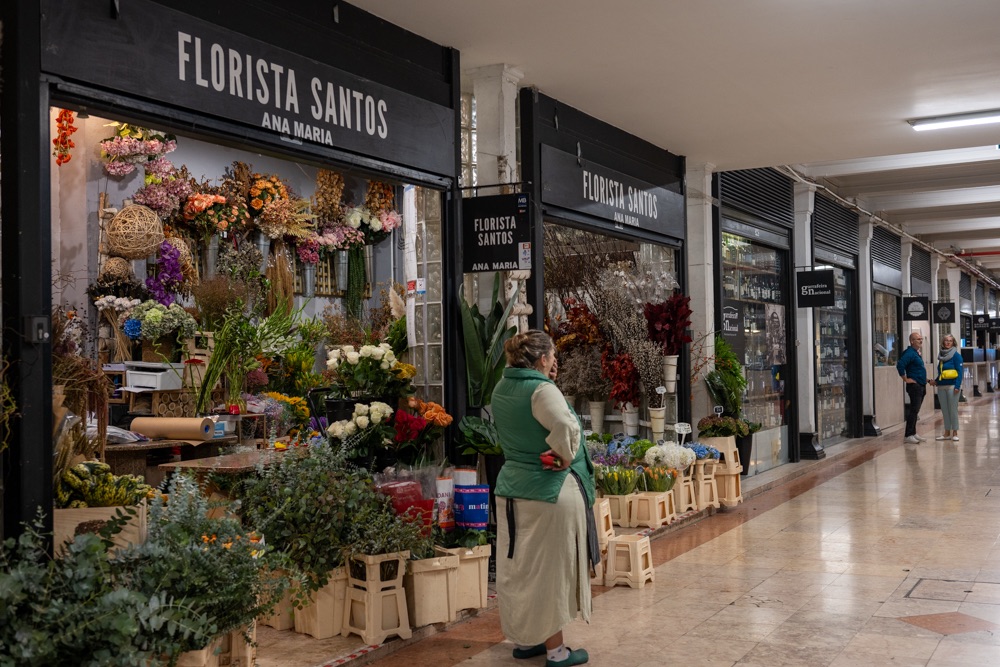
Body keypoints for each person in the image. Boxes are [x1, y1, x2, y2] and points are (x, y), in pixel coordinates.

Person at [491, 330, 598, 667]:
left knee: (520, 570)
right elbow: (566, 426)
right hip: (548, 492)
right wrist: (564, 457)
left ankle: (527, 640)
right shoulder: (541, 390)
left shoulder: (501, 387)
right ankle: (556, 652)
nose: (556, 361)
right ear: (542, 359)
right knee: (550, 572)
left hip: (512, 489)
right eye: (553, 355)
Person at [896, 331, 928, 444]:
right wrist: (905, 379)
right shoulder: (909, 353)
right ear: (912, 341)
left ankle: (913, 433)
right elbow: (900, 365)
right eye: (918, 339)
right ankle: (908, 435)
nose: (921, 341)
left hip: (921, 384)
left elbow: (917, 369)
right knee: (914, 411)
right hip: (915, 387)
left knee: (916, 410)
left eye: (921, 339)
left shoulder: (915, 353)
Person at [932, 333, 963, 441]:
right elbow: (941, 373)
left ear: (953, 343)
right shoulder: (942, 356)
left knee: (952, 409)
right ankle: (946, 432)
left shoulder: (956, 356)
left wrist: (957, 386)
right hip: (941, 387)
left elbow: (960, 372)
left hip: (952, 386)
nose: (948, 342)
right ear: (943, 342)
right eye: (946, 340)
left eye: (950, 341)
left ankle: (955, 432)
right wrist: (936, 381)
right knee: (944, 410)